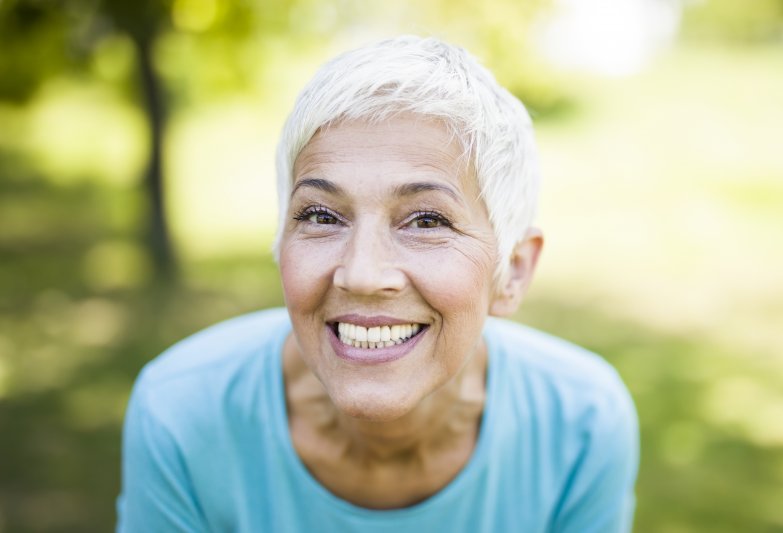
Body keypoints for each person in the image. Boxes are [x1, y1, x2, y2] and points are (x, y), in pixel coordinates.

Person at [117, 35, 638, 532]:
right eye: (321, 215)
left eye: (428, 221)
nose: (362, 275)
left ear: (514, 271)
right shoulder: (181, 414)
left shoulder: (581, 425)